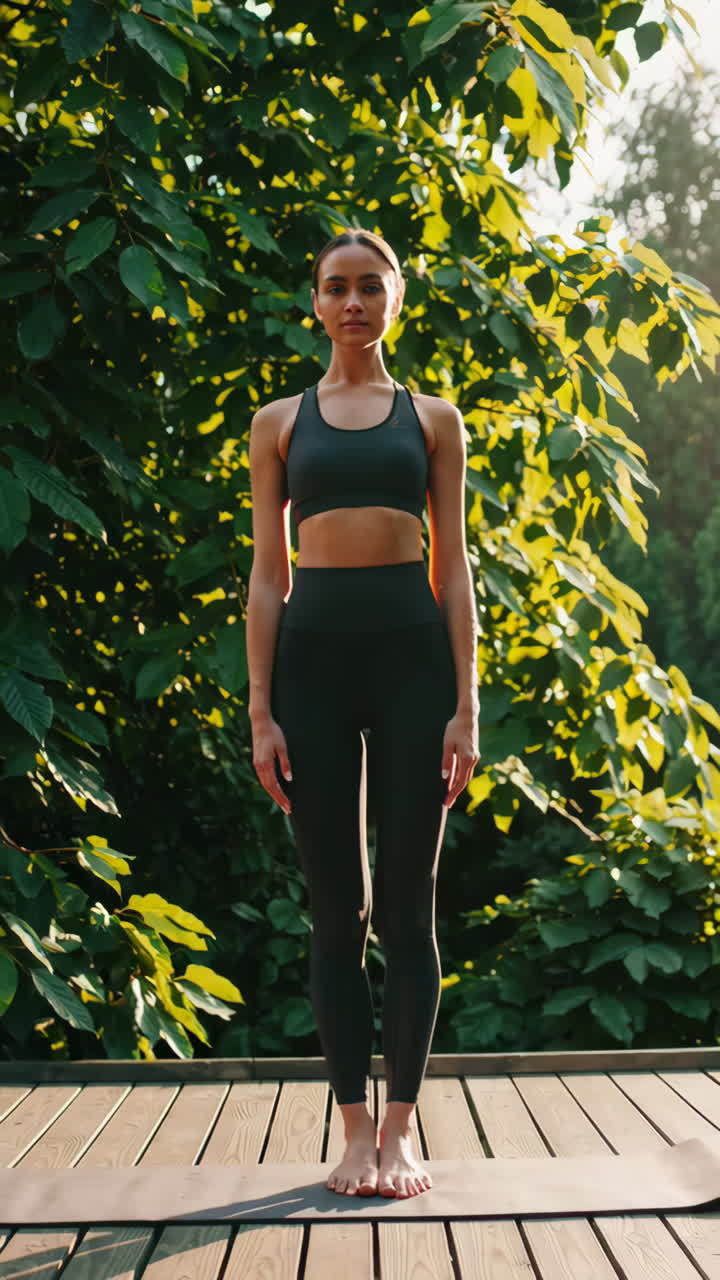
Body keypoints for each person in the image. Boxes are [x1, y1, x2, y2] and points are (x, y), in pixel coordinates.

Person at [246, 229, 480, 1199]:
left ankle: (402, 1133)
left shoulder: (434, 418)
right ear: (315, 302)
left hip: (415, 666)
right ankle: (350, 1132)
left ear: (395, 297)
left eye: (368, 287)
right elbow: (268, 573)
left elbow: (455, 563)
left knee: (409, 911)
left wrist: (467, 702)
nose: (351, 302)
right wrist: (260, 708)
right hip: (312, 671)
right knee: (337, 910)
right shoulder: (278, 423)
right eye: (335, 288)